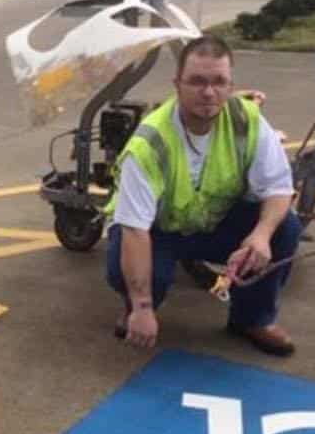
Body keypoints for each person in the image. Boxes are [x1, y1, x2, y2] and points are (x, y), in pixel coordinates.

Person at [105, 34, 301, 357]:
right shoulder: (148, 144)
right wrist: (142, 307)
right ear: (177, 84)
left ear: (230, 84)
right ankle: (135, 309)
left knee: (285, 227)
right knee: (133, 273)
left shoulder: (247, 120)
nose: (209, 92)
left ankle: (252, 319)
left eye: (219, 82)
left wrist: (261, 235)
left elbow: (279, 187)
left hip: (214, 222)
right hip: (157, 231)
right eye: (196, 82)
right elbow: (135, 230)